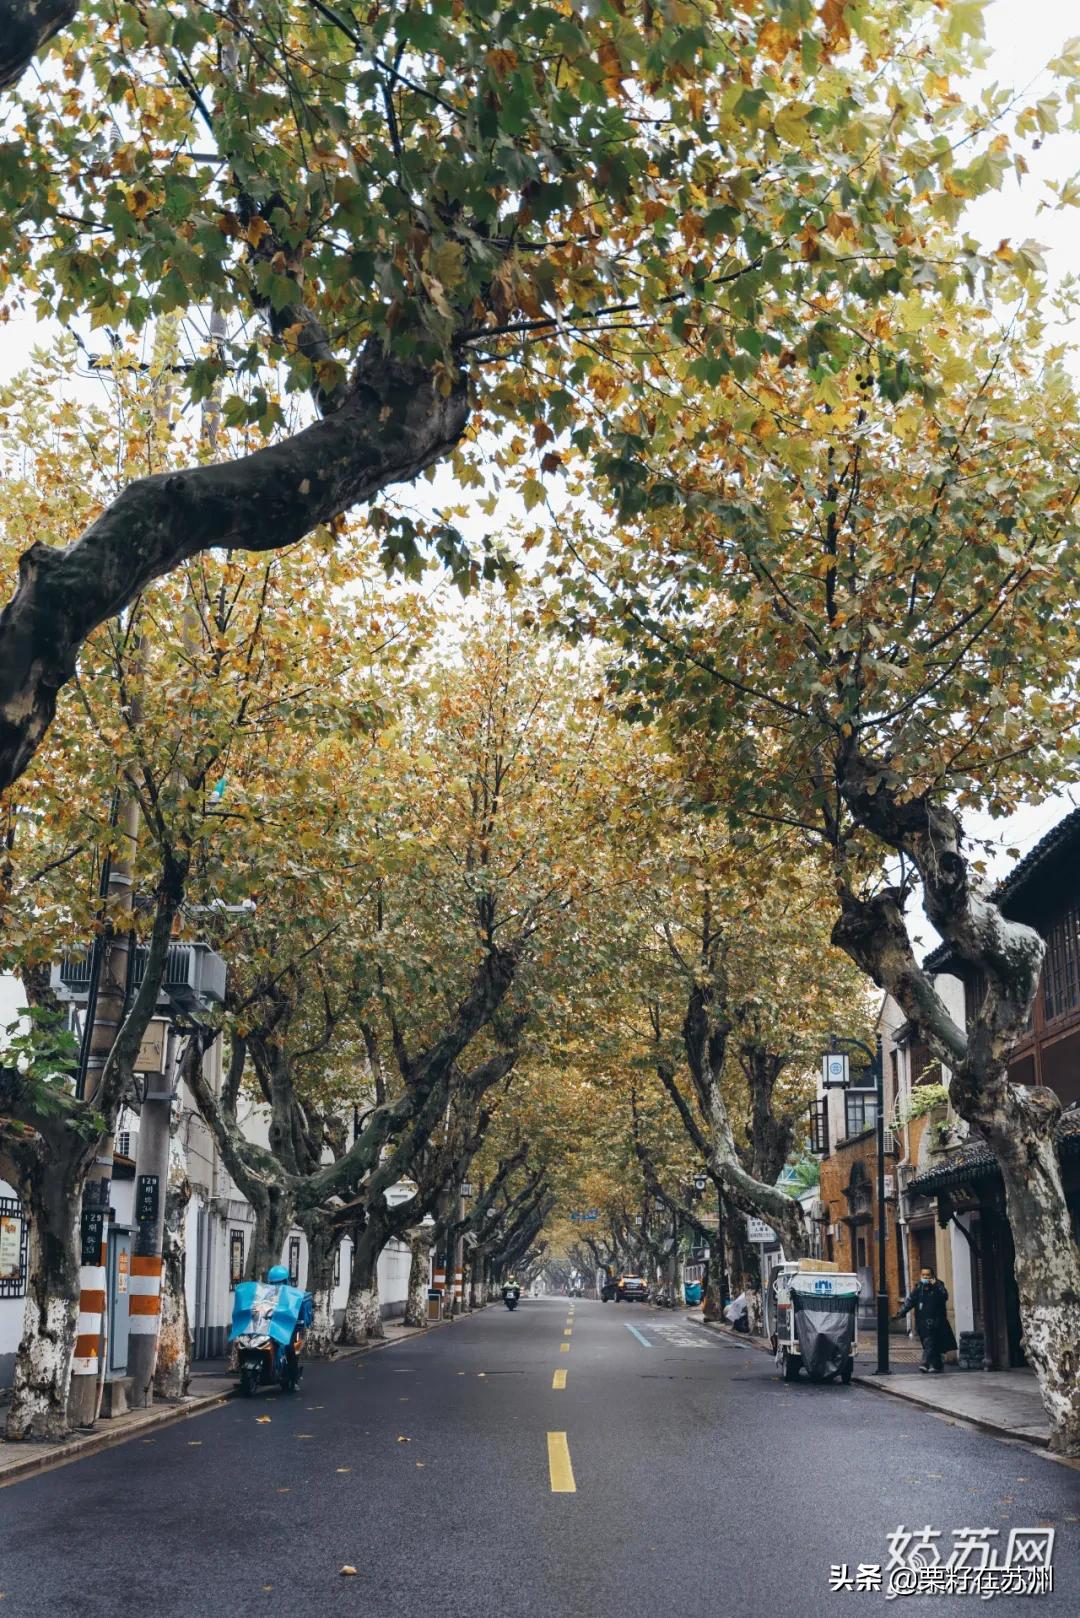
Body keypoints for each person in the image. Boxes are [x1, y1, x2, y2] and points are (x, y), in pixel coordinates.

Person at [896, 1267, 956, 1372]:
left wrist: (936, 1285)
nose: (925, 1277)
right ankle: (937, 1365)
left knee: (930, 1342)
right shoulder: (918, 1288)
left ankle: (925, 1363)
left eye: (928, 1275)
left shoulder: (938, 1286)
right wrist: (900, 1313)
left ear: (932, 1276)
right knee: (930, 1344)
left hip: (936, 1321)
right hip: (922, 1322)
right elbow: (910, 1301)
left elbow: (944, 1296)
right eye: (923, 1275)